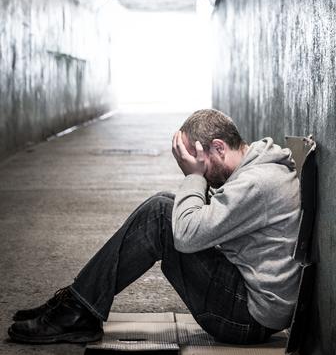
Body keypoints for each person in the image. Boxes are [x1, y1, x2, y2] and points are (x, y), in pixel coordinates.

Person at [7, 109, 302, 345]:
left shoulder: (256, 183)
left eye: (196, 160)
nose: (195, 169)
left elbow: (185, 237)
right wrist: (199, 173)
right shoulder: (256, 168)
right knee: (165, 204)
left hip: (247, 318)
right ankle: (77, 302)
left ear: (219, 147)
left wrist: (195, 177)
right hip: (247, 298)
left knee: (162, 215)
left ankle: (76, 311)